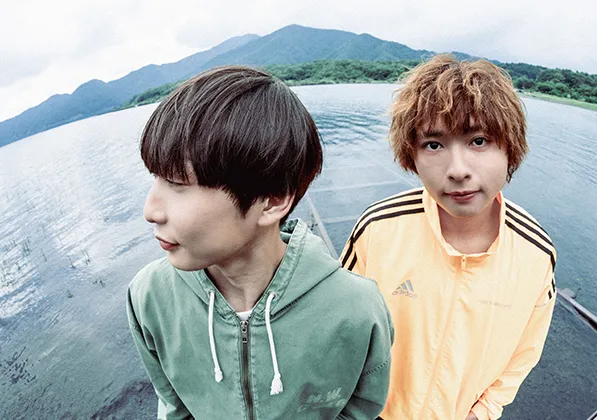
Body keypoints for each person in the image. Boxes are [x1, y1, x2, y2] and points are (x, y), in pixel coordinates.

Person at [126, 66, 394, 419]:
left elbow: (359, 410)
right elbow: (174, 406)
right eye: (155, 178)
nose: (150, 210)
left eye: (177, 184)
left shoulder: (356, 309)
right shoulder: (149, 296)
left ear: (272, 200)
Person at [340, 55, 556, 420]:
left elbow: (525, 351)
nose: (457, 171)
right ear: (411, 155)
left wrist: (483, 411)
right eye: (433, 145)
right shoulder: (378, 228)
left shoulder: (536, 253)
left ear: (510, 148)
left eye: (479, 140)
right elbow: (338, 327)